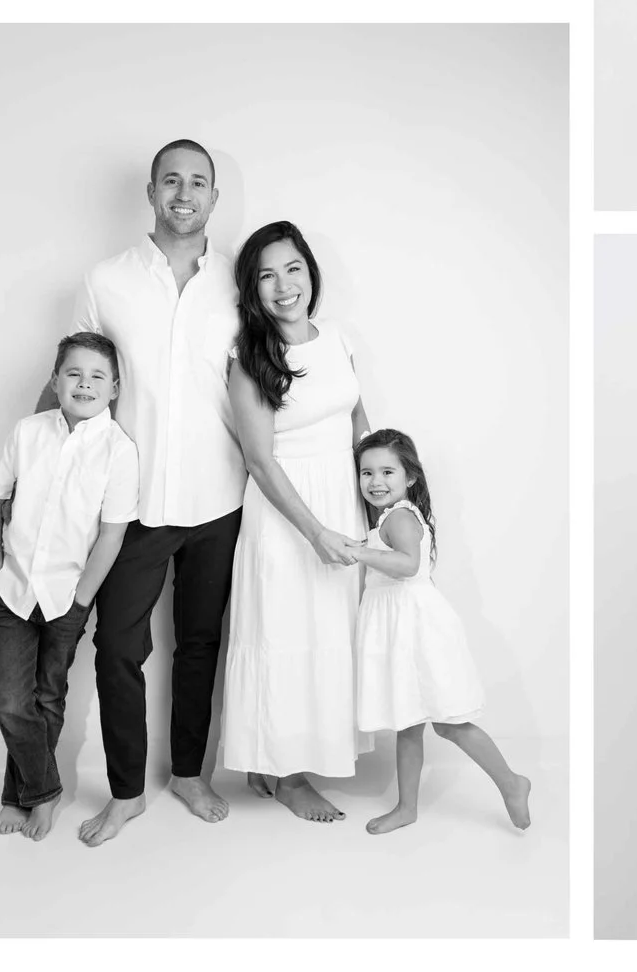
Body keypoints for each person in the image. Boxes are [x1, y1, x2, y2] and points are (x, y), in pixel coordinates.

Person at [67, 137, 242, 846]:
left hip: (219, 495)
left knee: (200, 642)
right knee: (117, 649)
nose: (184, 193)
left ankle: (191, 772)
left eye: (198, 182)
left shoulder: (237, 283)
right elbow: (77, 387)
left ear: (213, 198)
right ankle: (127, 790)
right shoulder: (106, 280)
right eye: (171, 180)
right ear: (150, 192)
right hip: (132, 504)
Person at [219, 220, 370, 822]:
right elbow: (258, 459)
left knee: (328, 634)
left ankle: (277, 760)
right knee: (284, 635)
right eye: (266, 275)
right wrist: (315, 532)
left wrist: (381, 505)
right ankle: (287, 774)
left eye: (293, 269)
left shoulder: (337, 337)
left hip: (342, 500)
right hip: (287, 514)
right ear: (252, 289)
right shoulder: (250, 356)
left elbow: (361, 423)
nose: (283, 286)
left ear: (311, 272)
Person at [0, 331, 139, 840]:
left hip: (67, 595)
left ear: (114, 388)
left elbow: (112, 535)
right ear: (55, 381)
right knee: (8, 699)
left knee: (47, 697)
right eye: (74, 373)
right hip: (12, 589)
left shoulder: (118, 450)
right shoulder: (27, 432)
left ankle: (18, 798)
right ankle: (44, 792)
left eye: (97, 376)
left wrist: (82, 598)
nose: (84, 383)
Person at [344, 428, 534, 834]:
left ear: (410, 477)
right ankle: (407, 807)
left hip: (416, 629)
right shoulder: (388, 517)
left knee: (449, 722)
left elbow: (408, 564)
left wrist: (358, 551)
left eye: (387, 472)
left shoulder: (398, 517)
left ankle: (512, 782)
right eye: (366, 473)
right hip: (401, 626)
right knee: (408, 722)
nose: (376, 482)